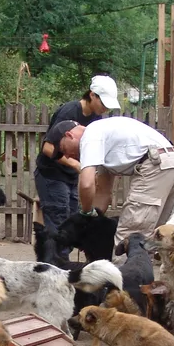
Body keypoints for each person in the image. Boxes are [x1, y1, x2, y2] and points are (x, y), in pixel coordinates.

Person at [58, 116, 174, 249]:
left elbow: (86, 184)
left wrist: (85, 213)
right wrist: (92, 221)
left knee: (128, 237)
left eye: (65, 150)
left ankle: (122, 270)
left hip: (156, 164)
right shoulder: (103, 139)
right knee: (152, 239)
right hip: (172, 163)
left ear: (69, 135)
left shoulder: (89, 136)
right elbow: (103, 192)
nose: (68, 156)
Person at [32, 75, 120, 239]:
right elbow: (48, 147)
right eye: (104, 103)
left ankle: (62, 262)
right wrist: (77, 165)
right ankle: (54, 262)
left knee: (70, 224)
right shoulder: (69, 111)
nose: (106, 109)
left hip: (70, 177)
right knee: (59, 224)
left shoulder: (96, 118)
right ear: (92, 95)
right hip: (52, 175)